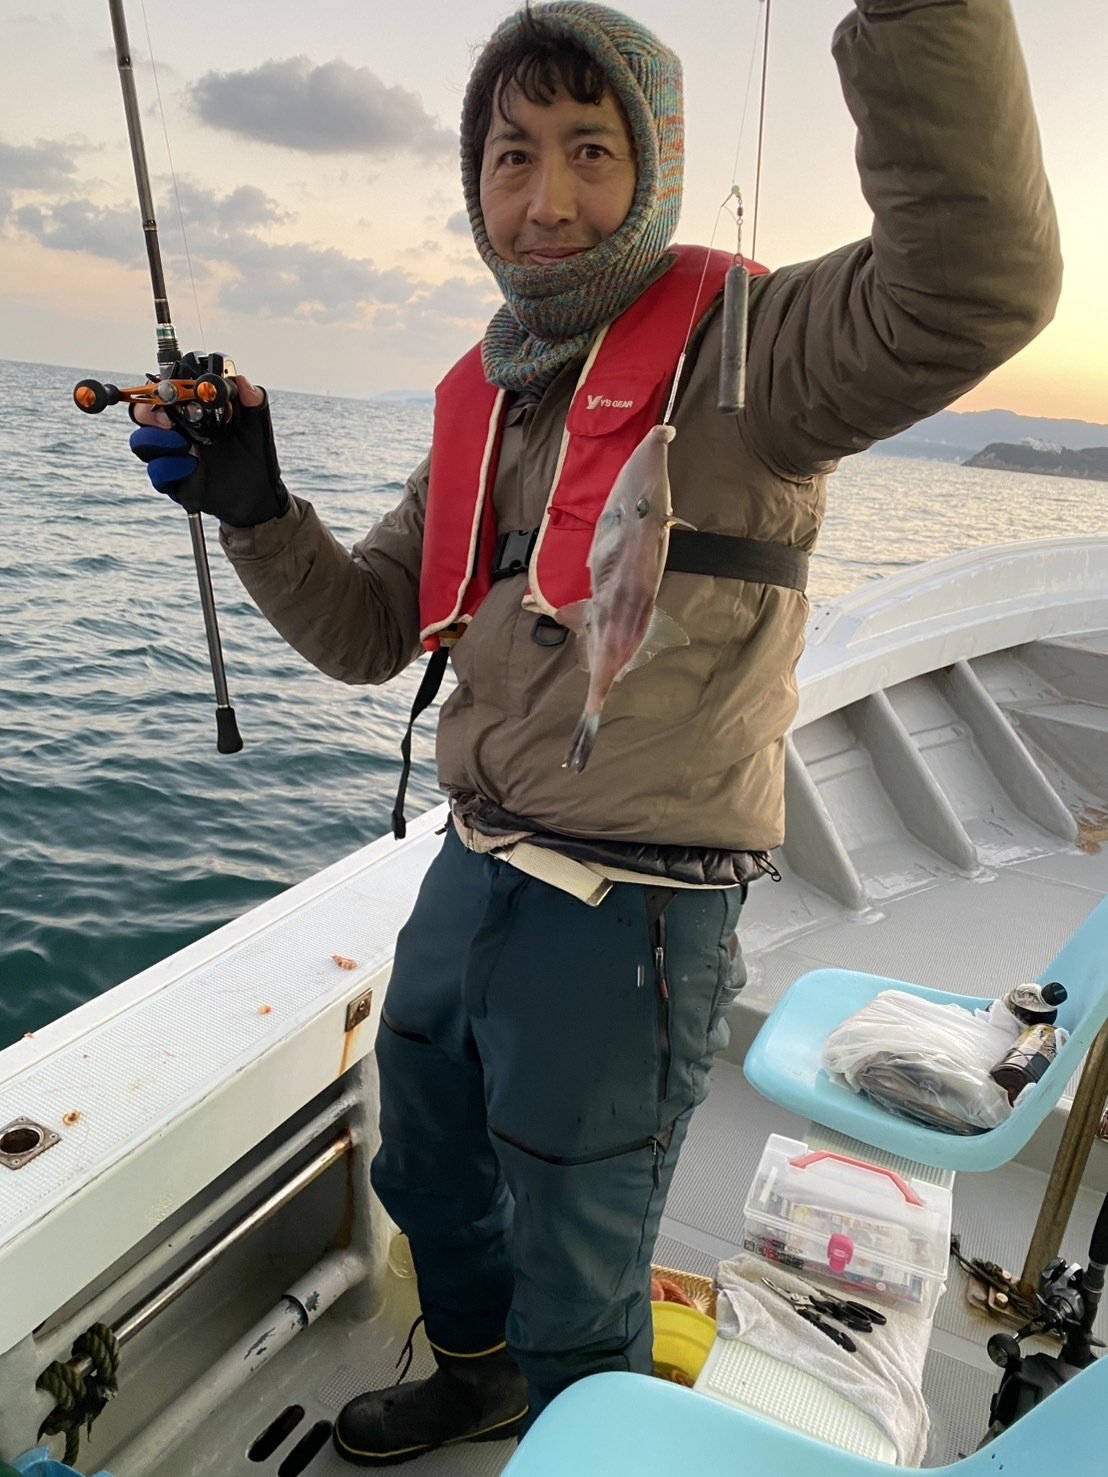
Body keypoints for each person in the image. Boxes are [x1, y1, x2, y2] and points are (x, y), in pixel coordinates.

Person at [129, 0, 1060, 1464]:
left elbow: (974, 284)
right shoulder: (493, 392)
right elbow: (369, 632)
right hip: (475, 865)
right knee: (430, 1172)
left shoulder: (759, 351)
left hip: (635, 909)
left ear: (656, 170)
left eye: (591, 150)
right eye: (512, 156)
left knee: (582, 1257)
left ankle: (587, 1441)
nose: (547, 198)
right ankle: (480, 1382)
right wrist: (258, 509)